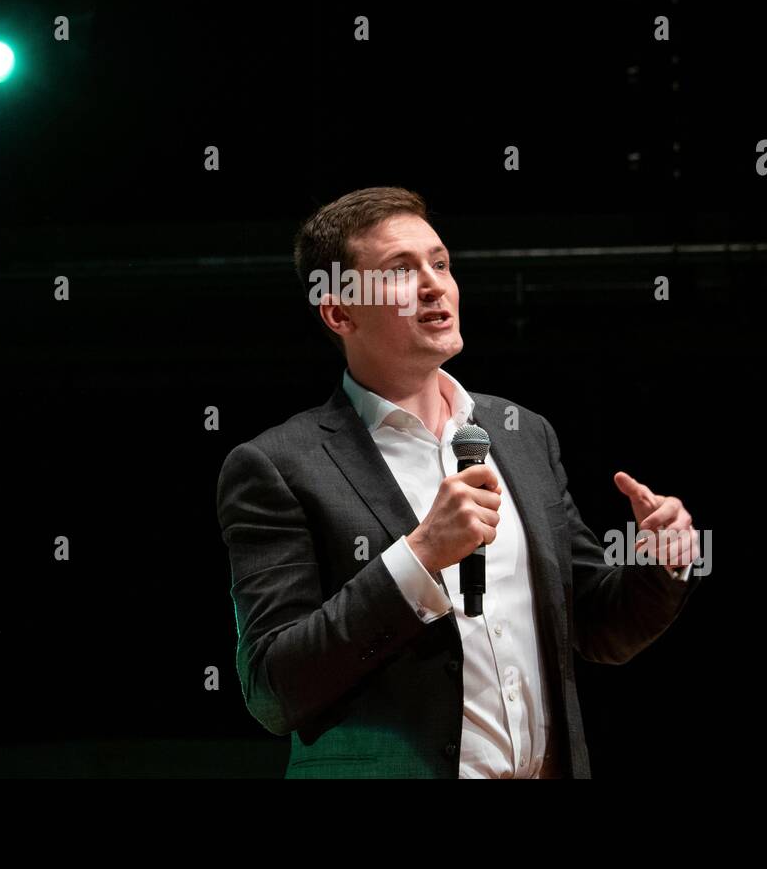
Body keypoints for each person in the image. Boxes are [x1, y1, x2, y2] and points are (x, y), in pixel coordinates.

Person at [216, 186, 700, 778]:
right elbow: (274, 689)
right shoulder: (278, 467)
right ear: (340, 313)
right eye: (400, 271)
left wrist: (661, 562)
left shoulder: (521, 434)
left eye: (440, 263)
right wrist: (419, 557)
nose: (434, 284)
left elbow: (598, 627)